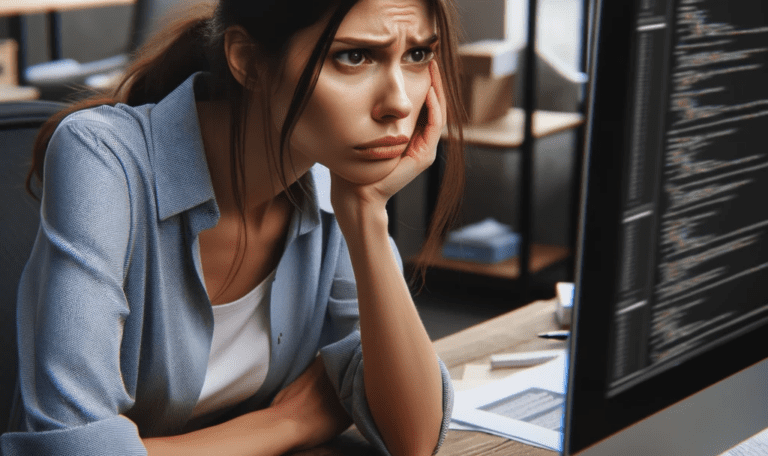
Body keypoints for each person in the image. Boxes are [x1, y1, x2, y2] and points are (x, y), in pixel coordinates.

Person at [1, 0, 466, 454]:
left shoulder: (332, 179)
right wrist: (288, 422)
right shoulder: (103, 157)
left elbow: (415, 439)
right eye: (353, 56)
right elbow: (72, 447)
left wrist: (367, 216)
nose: (400, 104)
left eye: (418, 55)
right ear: (248, 61)